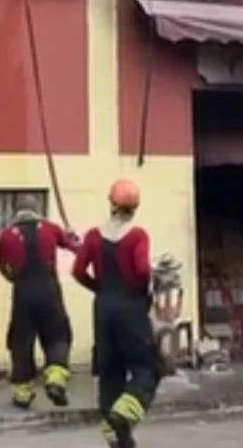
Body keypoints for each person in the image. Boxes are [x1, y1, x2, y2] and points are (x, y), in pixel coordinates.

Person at [71, 178, 158, 448]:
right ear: (135, 207)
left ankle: (115, 437)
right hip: (130, 308)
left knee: (110, 372)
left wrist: (99, 288)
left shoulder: (94, 236)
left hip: (103, 309)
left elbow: (77, 271)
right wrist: (144, 289)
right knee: (147, 370)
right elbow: (143, 270)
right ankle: (123, 416)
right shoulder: (137, 236)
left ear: (111, 203)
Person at [0, 194, 78, 409]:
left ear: (16, 212)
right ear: (38, 209)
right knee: (58, 335)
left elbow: (2, 266)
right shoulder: (51, 228)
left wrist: (14, 279)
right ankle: (55, 379)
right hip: (49, 291)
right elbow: (73, 247)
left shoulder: (6, 236)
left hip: (23, 294)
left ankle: (22, 394)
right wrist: (72, 237)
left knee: (21, 342)